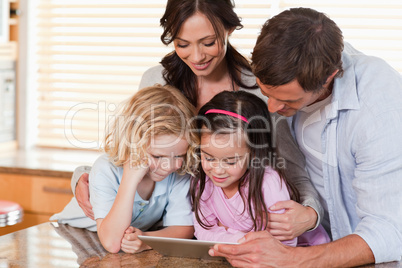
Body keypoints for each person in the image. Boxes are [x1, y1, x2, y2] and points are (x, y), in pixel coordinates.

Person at [71, 0, 324, 242]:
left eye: (208, 42)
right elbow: (129, 151)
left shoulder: (259, 90)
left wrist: (311, 214)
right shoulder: (157, 80)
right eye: (183, 44)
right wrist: (82, 177)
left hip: (211, 229)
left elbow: (290, 167)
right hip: (154, 229)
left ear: (229, 28)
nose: (197, 56)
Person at [209, 7, 402, 267]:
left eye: (288, 101)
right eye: (267, 93)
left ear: (328, 78)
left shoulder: (379, 109)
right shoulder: (289, 70)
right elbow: (294, 167)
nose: (272, 108)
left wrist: (290, 259)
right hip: (317, 240)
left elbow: (389, 232)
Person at [51, 84, 199, 254]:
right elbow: (113, 243)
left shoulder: (178, 173)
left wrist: (146, 239)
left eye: (179, 155)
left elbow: (184, 229)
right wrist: (130, 177)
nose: (172, 165)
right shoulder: (106, 169)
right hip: (74, 235)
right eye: (158, 156)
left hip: (120, 237)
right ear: (133, 143)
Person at [191, 90, 330, 246]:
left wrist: (226, 231)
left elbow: (284, 244)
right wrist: (239, 238)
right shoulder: (203, 182)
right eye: (208, 157)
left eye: (230, 162)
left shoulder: (270, 184)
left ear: (254, 154)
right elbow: (202, 230)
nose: (217, 170)